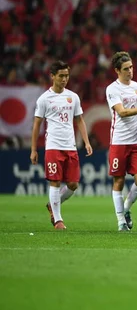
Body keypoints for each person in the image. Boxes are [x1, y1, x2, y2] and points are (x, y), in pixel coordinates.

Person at [31, 60, 93, 230]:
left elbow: (79, 119)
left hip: (70, 146)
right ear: (52, 76)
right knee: (55, 182)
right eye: (61, 76)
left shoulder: (73, 97)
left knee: (73, 185)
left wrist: (86, 142)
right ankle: (58, 220)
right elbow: (37, 124)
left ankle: (53, 205)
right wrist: (34, 149)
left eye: (66, 75)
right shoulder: (44, 99)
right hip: (53, 146)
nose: (64, 79)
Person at [105, 52, 137, 231]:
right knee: (119, 181)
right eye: (126, 69)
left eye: (131, 67)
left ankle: (124, 209)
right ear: (117, 71)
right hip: (119, 141)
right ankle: (121, 222)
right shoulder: (112, 89)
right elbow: (122, 112)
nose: (130, 71)